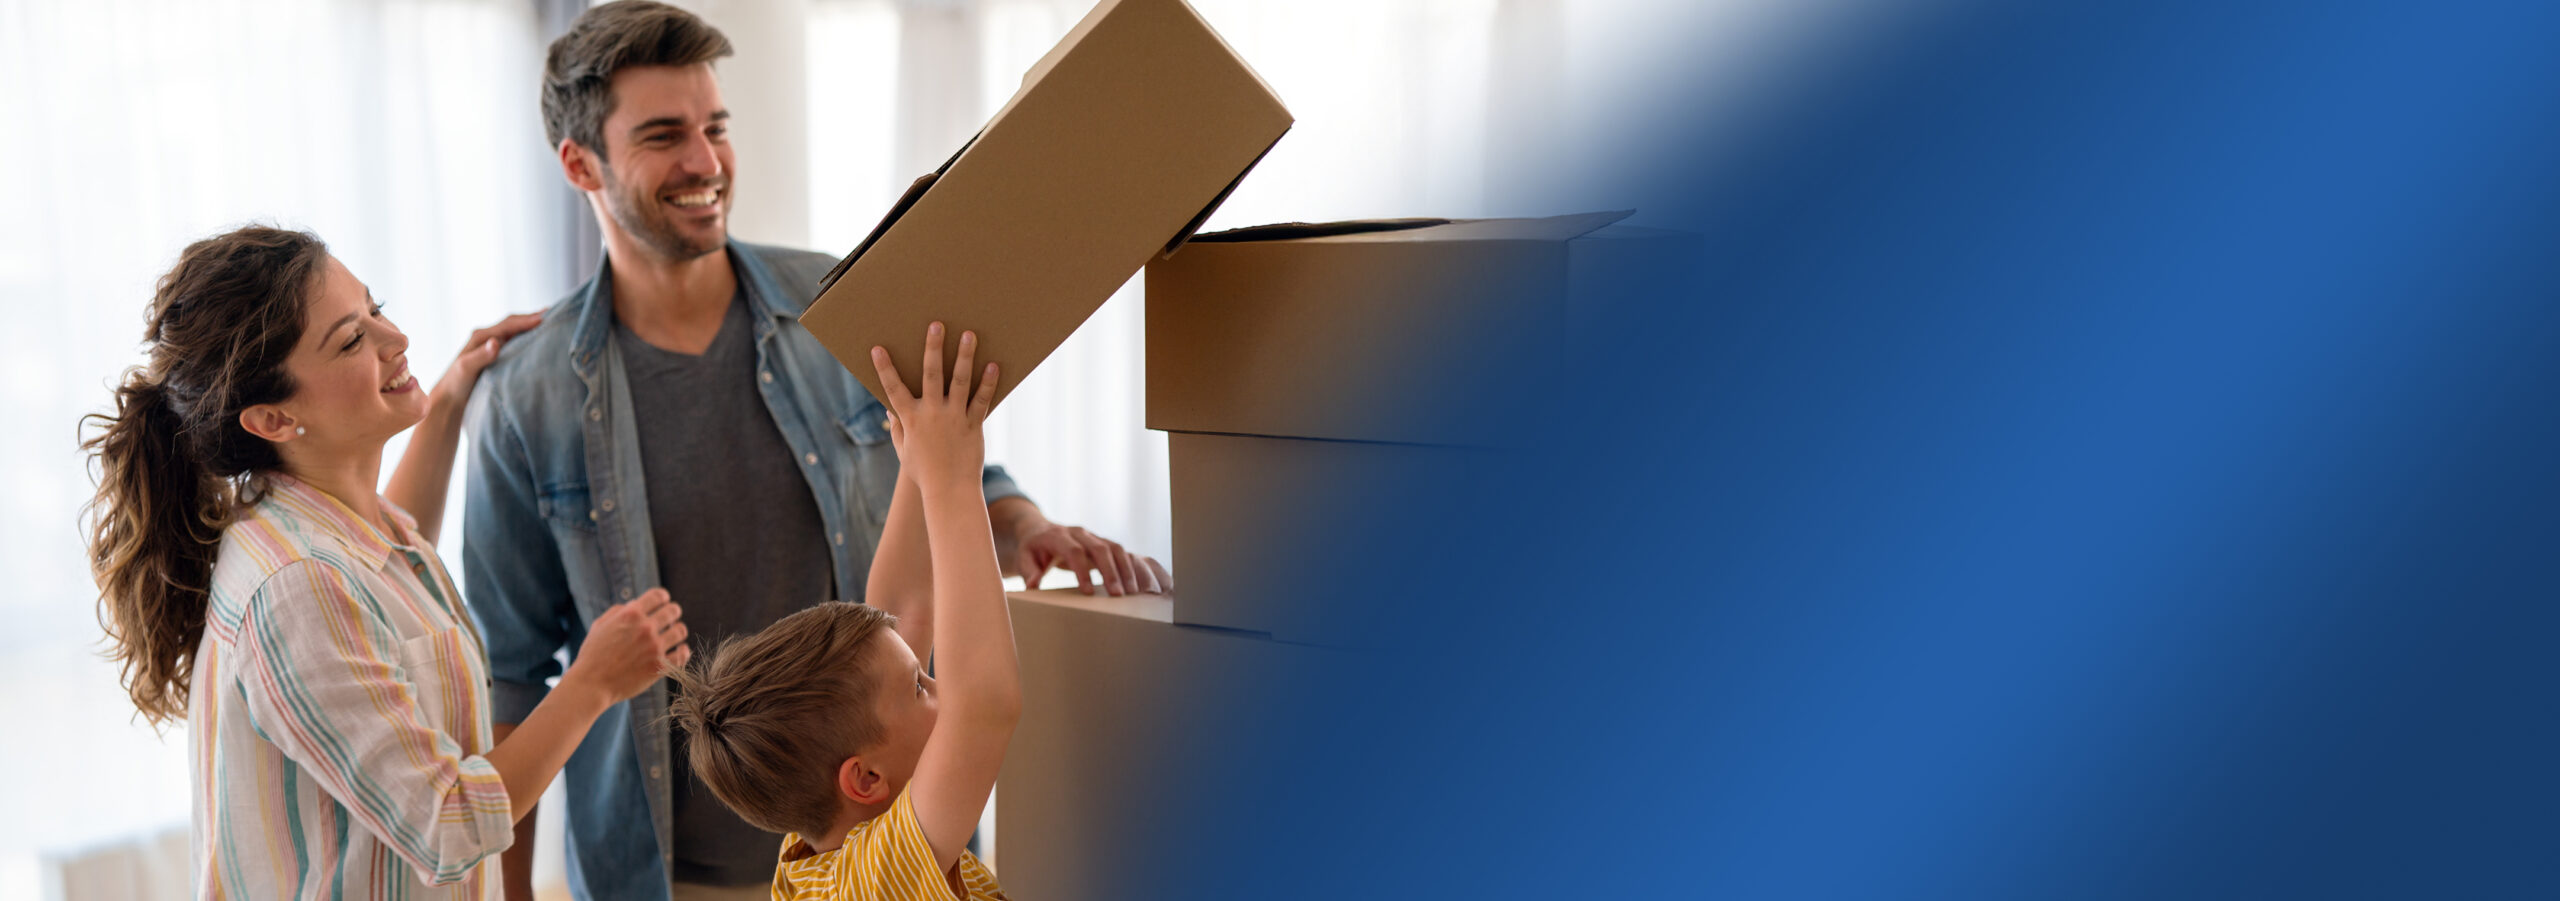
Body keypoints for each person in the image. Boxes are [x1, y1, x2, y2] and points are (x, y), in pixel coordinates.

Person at [468, 4, 1167, 899]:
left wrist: (1016, 519)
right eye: (664, 135)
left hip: (867, 822)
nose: (705, 160)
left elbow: (905, 587)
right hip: (661, 872)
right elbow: (513, 674)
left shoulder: (833, 302)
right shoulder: (526, 397)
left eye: (716, 126)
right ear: (580, 164)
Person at [81, 225, 690, 898]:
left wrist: (446, 402)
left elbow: (379, 596)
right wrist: (593, 681)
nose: (395, 338)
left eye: (375, 308)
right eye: (351, 340)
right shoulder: (297, 587)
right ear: (272, 419)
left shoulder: (329, 522)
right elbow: (449, 823)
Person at [668, 324, 1105, 901]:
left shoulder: (818, 846)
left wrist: (919, 460)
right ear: (866, 778)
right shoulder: (874, 883)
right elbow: (983, 706)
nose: (939, 686)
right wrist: (953, 479)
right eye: (919, 686)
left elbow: (903, 612)